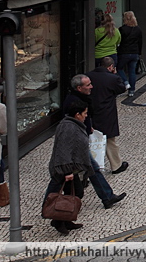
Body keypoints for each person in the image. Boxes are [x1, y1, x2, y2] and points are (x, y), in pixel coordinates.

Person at [60, 75, 127, 211]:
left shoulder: (80, 98)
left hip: (80, 139)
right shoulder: (74, 102)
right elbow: (71, 124)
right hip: (76, 142)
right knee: (63, 178)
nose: (91, 87)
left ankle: (107, 197)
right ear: (79, 88)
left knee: (93, 169)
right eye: (88, 85)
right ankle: (52, 205)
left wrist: (88, 127)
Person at [44, 98, 93, 235]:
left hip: (70, 168)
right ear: (77, 114)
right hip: (64, 168)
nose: (86, 115)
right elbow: (64, 149)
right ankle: (58, 221)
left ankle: (66, 219)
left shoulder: (73, 124)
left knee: (76, 192)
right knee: (68, 193)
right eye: (84, 113)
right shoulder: (68, 127)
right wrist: (68, 171)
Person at [86, 57, 128, 175]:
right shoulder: (113, 78)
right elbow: (121, 89)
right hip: (107, 112)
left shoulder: (88, 76)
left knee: (89, 139)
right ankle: (116, 165)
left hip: (90, 111)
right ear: (110, 67)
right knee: (110, 139)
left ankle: (89, 166)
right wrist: (115, 75)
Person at [117, 11, 142, 97]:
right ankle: (132, 90)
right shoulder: (138, 29)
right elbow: (140, 42)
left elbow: (119, 41)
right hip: (134, 52)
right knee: (132, 72)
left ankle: (125, 82)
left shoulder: (122, 29)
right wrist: (139, 53)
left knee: (119, 68)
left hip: (124, 52)